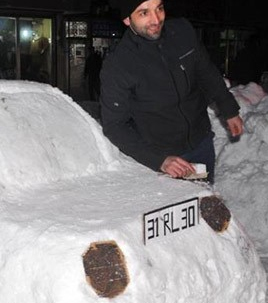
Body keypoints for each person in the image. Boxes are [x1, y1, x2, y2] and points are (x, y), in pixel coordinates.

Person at [100, 0, 244, 184]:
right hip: (164, 158)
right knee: (180, 206)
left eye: (159, 8)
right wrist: (159, 160)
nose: (156, 19)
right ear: (127, 20)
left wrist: (229, 108)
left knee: (203, 199)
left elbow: (206, 73)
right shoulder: (119, 64)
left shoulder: (182, 32)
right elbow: (115, 125)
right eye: (144, 13)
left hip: (201, 142)